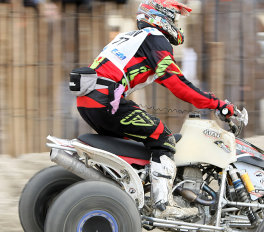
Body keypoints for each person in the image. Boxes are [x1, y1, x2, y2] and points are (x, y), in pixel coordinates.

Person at [73, 0, 235, 219]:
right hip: (106, 100)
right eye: (174, 19)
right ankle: (163, 205)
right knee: (163, 136)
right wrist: (217, 103)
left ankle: (125, 194)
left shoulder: (133, 39)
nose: (177, 24)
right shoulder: (155, 39)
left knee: (134, 147)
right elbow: (177, 84)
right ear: (161, 17)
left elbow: (167, 79)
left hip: (89, 102)